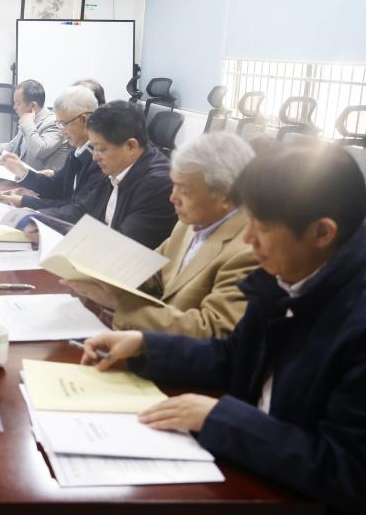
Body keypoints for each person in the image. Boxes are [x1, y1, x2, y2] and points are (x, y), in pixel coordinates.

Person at [80, 144, 366, 512]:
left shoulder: (354, 320)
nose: (247, 239)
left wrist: (221, 418)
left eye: (262, 227)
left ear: (322, 233)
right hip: (254, 464)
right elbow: (234, 355)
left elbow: (347, 470)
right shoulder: (289, 274)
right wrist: (144, 344)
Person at [64, 132, 258, 339]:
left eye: (184, 190)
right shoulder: (189, 223)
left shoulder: (248, 252)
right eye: (174, 185)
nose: (172, 197)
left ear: (225, 195)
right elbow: (154, 273)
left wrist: (120, 305)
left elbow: (211, 330)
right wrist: (100, 271)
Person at [23, 100, 176, 249]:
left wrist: (54, 234)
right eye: (93, 148)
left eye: (101, 149)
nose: (95, 157)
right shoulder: (116, 166)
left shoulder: (157, 185)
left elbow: (123, 245)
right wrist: (38, 218)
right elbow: (83, 211)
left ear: (130, 146)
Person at [0, 85, 104, 212]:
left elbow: (77, 209)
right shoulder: (77, 153)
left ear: (84, 120)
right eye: (59, 124)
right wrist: (22, 172)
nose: (63, 131)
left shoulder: (98, 159)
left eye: (64, 124)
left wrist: (27, 205)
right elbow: (57, 187)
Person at [0, 79, 69, 171]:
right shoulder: (28, 120)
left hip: (42, 182)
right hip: (22, 178)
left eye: (18, 103)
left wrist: (27, 124)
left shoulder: (54, 123)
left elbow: (40, 151)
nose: (14, 107)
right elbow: (11, 148)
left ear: (33, 106)